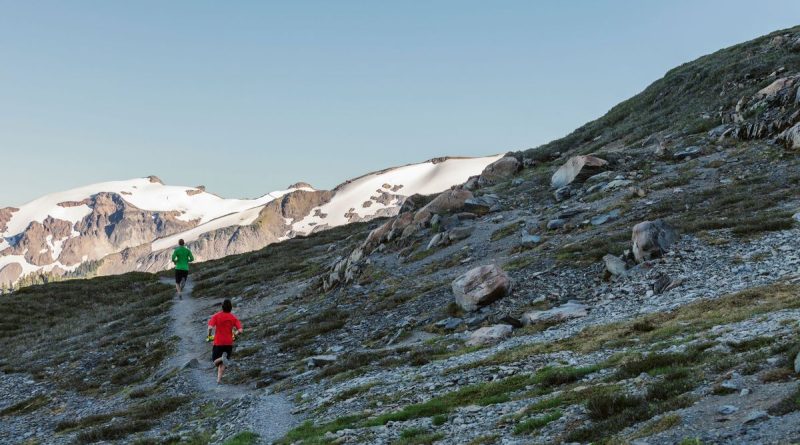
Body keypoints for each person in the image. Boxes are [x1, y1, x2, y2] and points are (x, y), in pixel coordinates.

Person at [207, 299, 243, 384]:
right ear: (231, 307)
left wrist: (209, 335)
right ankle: (218, 380)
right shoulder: (233, 317)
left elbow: (210, 327)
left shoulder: (216, 316)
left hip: (218, 342)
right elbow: (240, 330)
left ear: (222, 307)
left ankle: (221, 358)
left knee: (215, 361)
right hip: (228, 343)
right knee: (223, 362)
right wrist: (235, 334)